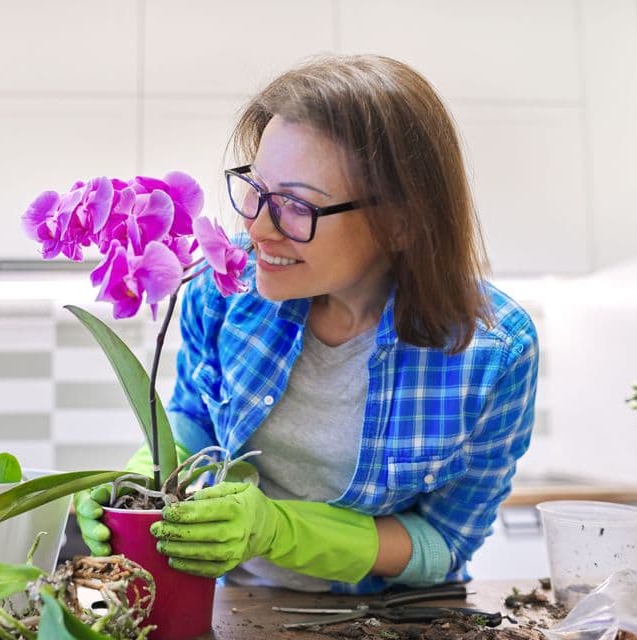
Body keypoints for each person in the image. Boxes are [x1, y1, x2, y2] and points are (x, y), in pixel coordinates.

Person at [76, 54, 539, 593]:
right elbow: (196, 421)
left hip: (387, 621)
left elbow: (444, 543)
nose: (257, 227)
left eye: (296, 205)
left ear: (401, 223)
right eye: (256, 189)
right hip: (233, 608)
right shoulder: (223, 288)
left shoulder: (492, 353)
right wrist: (141, 479)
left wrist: (279, 530)